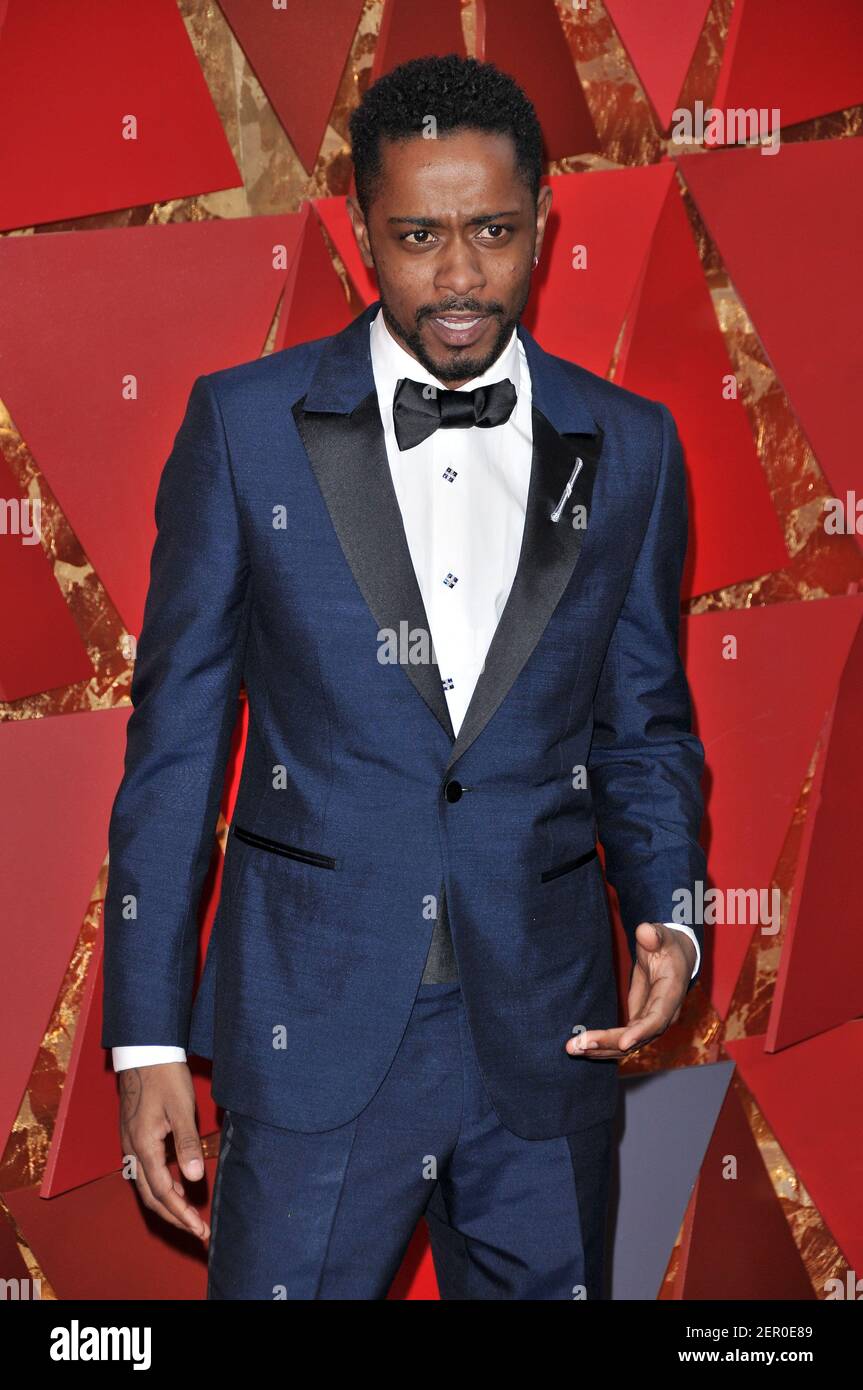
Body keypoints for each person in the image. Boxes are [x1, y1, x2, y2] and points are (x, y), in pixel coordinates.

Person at [101, 53, 706, 1300]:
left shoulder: (630, 446)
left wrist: (671, 917)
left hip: (548, 1037)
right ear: (359, 231)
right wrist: (147, 1037)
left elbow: (643, 725)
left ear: (543, 222)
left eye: (492, 231)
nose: (460, 275)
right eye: (417, 235)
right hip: (315, 1034)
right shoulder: (243, 425)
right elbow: (173, 751)